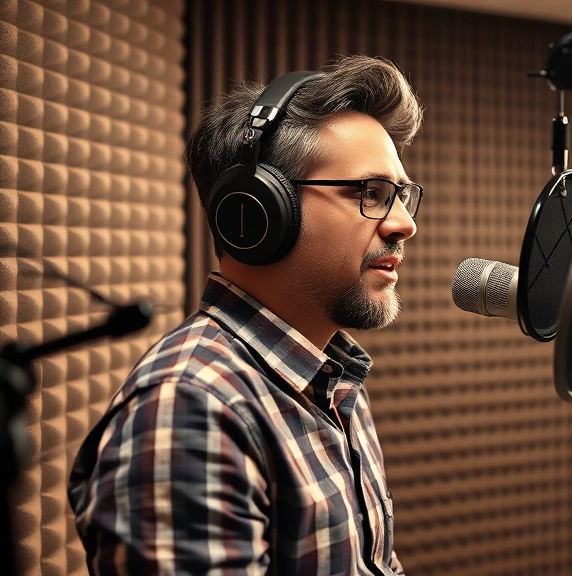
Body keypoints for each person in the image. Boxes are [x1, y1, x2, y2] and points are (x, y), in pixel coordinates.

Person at [68, 55, 423, 575]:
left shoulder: (331, 379)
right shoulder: (192, 409)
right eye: (371, 193)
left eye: (403, 196)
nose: (404, 224)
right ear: (257, 209)